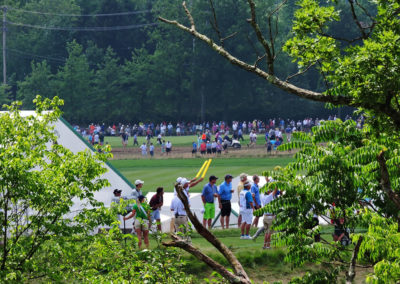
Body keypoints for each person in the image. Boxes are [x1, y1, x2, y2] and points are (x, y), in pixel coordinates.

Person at [251, 185, 279, 249]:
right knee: (269, 233)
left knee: (266, 233)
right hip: (270, 217)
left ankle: (264, 246)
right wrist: (277, 183)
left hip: (265, 217)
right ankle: (268, 246)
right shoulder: (269, 197)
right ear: (268, 192)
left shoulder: (263, 197)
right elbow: (275, 190)